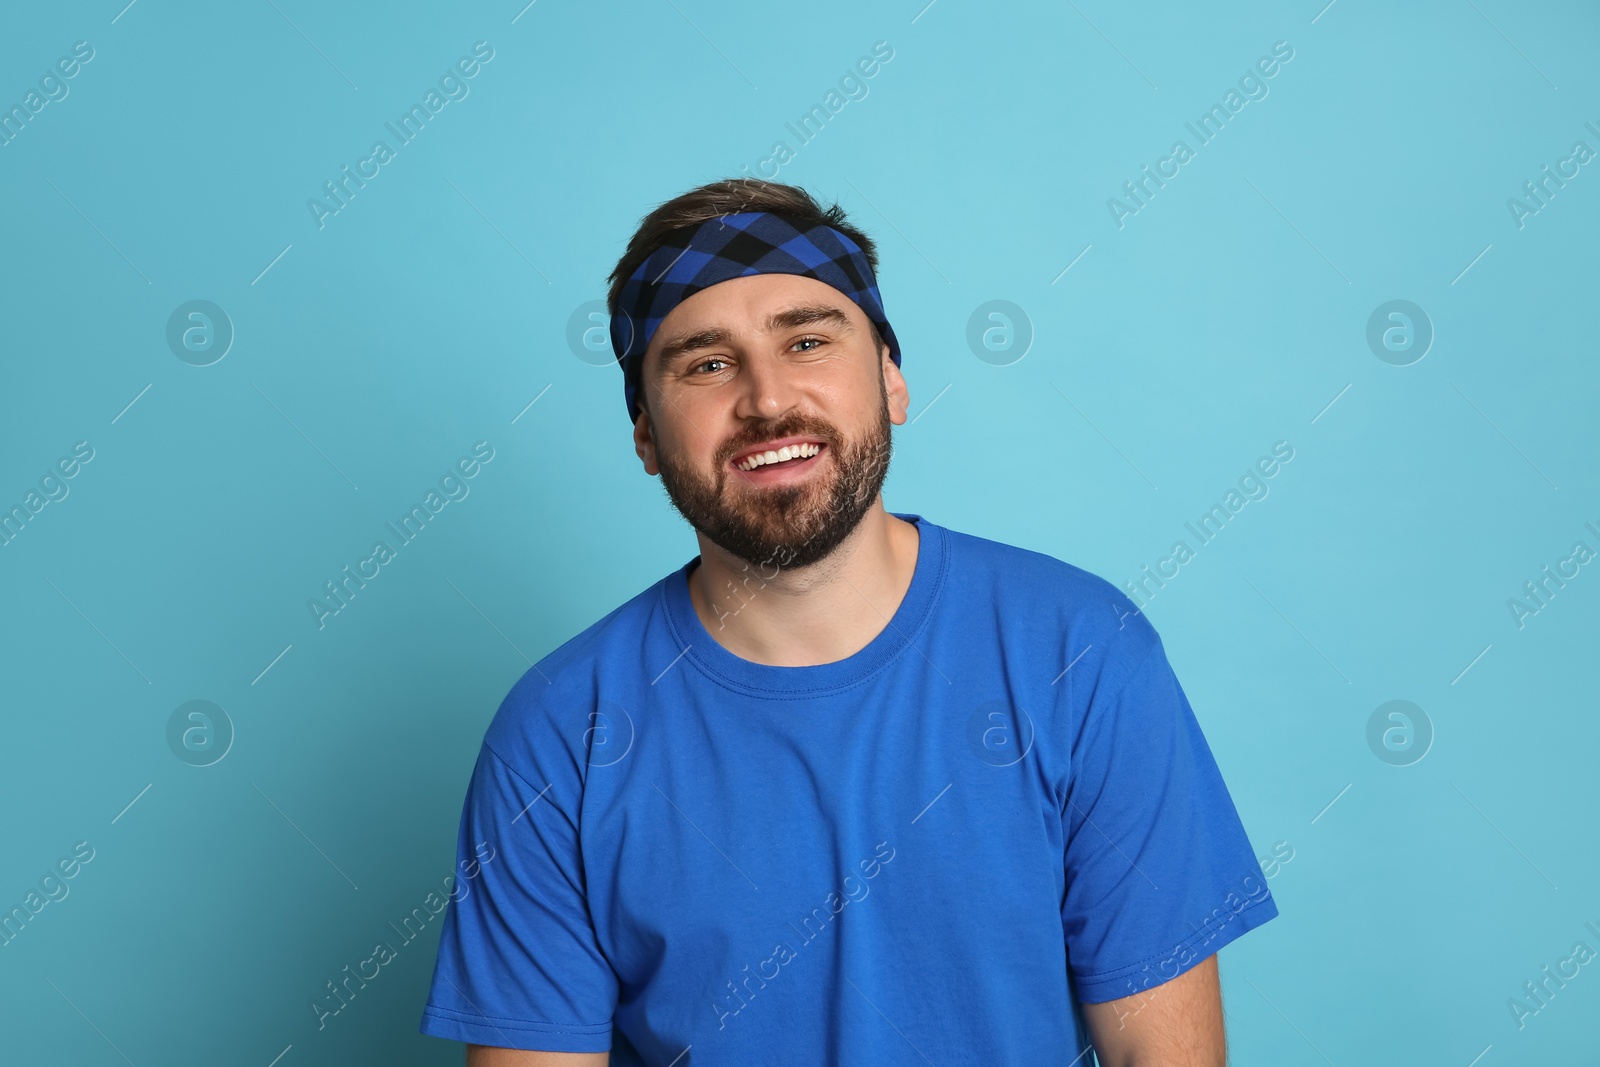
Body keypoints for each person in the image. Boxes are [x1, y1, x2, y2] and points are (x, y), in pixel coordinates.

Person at [418, 179, 1279, 1066]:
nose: (766, 398)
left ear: (892, 380)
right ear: (644, 434)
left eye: (808, 340)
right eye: (706, 363)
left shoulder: (1081, 654)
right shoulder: (558, 735)